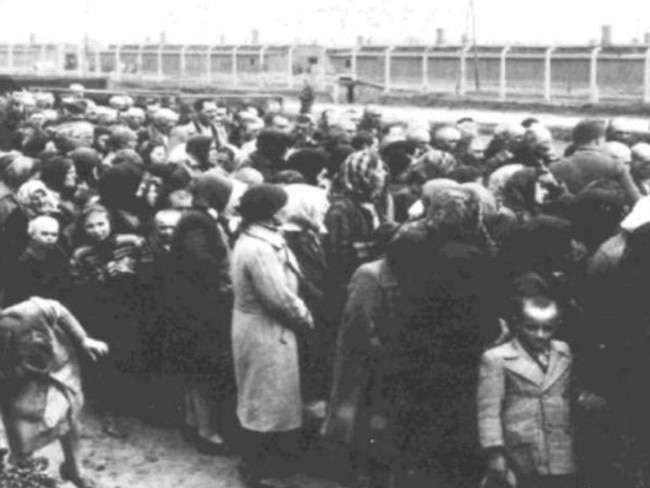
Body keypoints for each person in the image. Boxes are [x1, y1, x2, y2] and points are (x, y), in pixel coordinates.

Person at [230, 184, 313, 486]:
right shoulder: (258, 248)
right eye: (282, 206)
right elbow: (277, 297)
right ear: (270, 213)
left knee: (270, 397)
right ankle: (255, 468)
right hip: (264, 330)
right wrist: (306, 317)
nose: (287, 211)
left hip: (266, 328)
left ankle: (267, 465)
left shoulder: (263, 239)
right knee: (264, 399)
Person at [0, 297, 108, 488]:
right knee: (22, 439)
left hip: (56, 367)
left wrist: (83, 339)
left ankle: (75, 468)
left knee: (67, 413)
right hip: (16, 387)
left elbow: (58, 310)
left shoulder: (30, 311)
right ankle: (25, 475)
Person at [165, 170, 235, 454]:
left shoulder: (198, 217)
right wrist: (224, 280)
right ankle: (207, 433)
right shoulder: (196, 220)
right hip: (200, 307)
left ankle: (194, 423)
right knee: (204, 368)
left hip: (195, 304)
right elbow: (199, 262)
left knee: (197, 369)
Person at [477, 293, 576, 488]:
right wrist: (495, 452)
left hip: (559, 448)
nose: (540, 334)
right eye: (531, 327)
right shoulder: (497, 358)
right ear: (518, 324)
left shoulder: (563, 351)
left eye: (547, 328)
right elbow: (488, 411)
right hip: (520, 449)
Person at [550, 118, 640, 204]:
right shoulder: (615, 165)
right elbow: (635, 199)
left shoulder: (555, 166)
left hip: (566, 216)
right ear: (597, 141)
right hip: (609, 218)